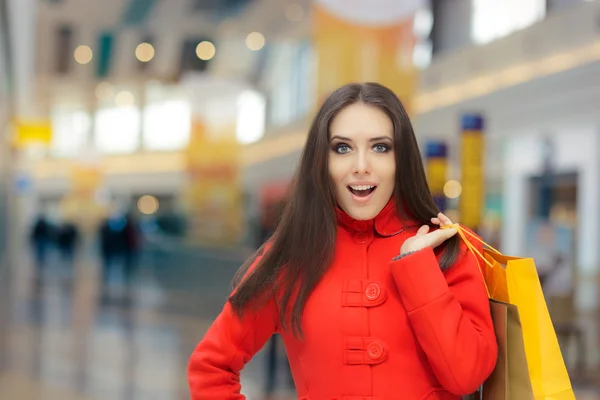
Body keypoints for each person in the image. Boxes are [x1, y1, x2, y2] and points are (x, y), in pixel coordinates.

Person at [187, 82, 497, 399]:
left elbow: (467, 376)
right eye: (342, 148)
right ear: (321, 161)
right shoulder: (291, 256)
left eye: (380, 147)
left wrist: (418, 267)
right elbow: (211, 367)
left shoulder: (447, 246)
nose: (361, 166)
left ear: (401, 159)